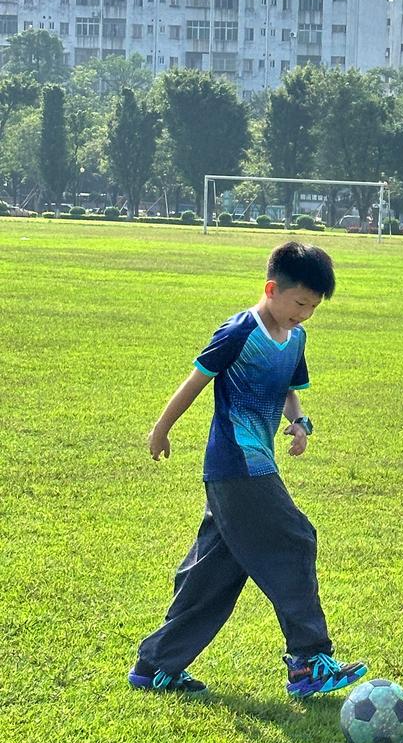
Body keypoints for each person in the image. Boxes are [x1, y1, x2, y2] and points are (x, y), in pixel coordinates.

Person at [130, 241, 366, 698]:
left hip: (253, 463)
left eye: (313, 308)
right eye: (299, 303)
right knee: (295, 538)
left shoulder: (295, 338)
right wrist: (161, 429)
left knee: (213, 571)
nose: (304, 314)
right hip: (237, 464)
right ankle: (307, 661)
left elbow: (288, 389)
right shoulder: (240, 331)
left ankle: (155, 665)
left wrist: (299, 423)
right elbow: (196, 381)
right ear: (272, 289)